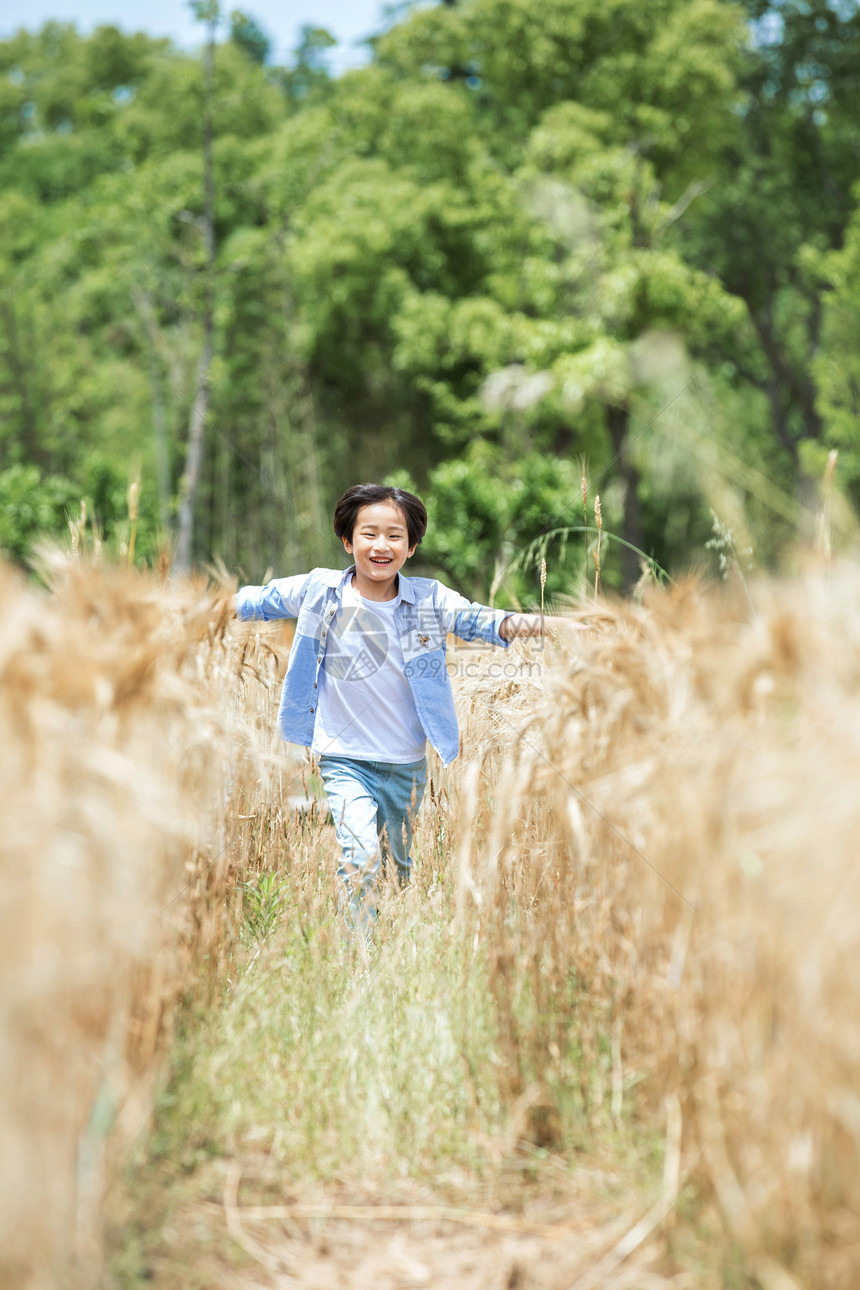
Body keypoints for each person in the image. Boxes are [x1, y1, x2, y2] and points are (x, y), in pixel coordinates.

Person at [234, 483, 581, 935]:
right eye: (369, 534)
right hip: (344, 757)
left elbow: (487, 620)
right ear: (347, 540)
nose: (381, 546)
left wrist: (559, 625)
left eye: (395, 535)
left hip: (406, 765)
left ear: (412, 546)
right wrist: (200, 610)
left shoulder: (430, 600)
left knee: (396, 871)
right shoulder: (321, 591)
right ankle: (357, 956)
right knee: (359, 856)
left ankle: (388, 947)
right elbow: (260, 600)